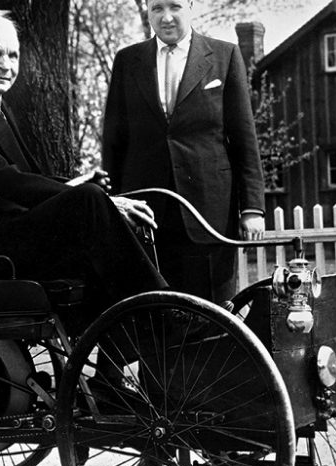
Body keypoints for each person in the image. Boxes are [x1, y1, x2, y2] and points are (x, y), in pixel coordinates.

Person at [0, 11, 167, 331]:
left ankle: (122, 348)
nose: (6, 65)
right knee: (91, 202)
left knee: (98, 214)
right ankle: (163, 310)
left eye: (13, 55)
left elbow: (20, 176)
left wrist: (73, 184)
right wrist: (92, 199)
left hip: (9, 234)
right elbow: (5, 181)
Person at [102, 0, 266, 305]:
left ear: (190, 6)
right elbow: (113, 142)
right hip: (145, 213)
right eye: (157, 8)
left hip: (207, 210)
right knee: (151, 312)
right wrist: (113, 204)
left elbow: (244, 138)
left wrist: (252, 208)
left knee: (213, 313)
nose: (166, 18)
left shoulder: (225, 56)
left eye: (175, 7)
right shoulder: (128, 60)